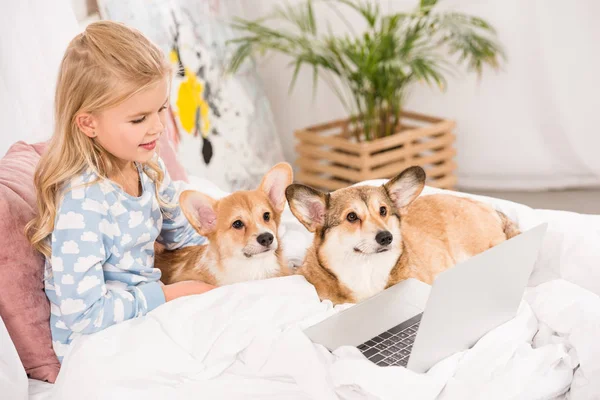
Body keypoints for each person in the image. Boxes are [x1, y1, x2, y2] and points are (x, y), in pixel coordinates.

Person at [26, 21, 214, 362]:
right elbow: (84, 316)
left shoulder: (147, 165)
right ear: (88, 123)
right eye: (139, 118)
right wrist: (168, 296)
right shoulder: (83, 202)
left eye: (160, 109)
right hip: (101, 343)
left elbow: (184, 236)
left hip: (146, 312)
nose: (158, 127)